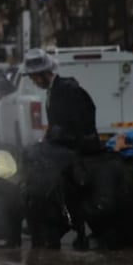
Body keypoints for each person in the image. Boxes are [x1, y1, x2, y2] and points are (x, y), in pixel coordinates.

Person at [20, 48, 99, 249]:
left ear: (42, 74)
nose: (33, 82)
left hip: (74, 149)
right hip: (64, 145)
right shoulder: (55, 91)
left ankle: (45, 220)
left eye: (33, 78)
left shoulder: (66, 89)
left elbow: (75, 124)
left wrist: (53, 139)